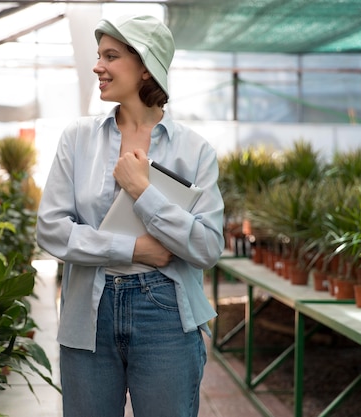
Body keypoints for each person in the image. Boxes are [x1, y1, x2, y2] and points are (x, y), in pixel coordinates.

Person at [36, 14, 224, 417]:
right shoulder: (77, 138)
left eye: (111, 56)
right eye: (99, 55)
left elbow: (208, 246)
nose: (97, 66)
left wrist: (143, 192)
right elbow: (50, 231)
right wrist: (133, 248)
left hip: (167, 313)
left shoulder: (195, 150)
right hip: (88, 311)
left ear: (144, 67)